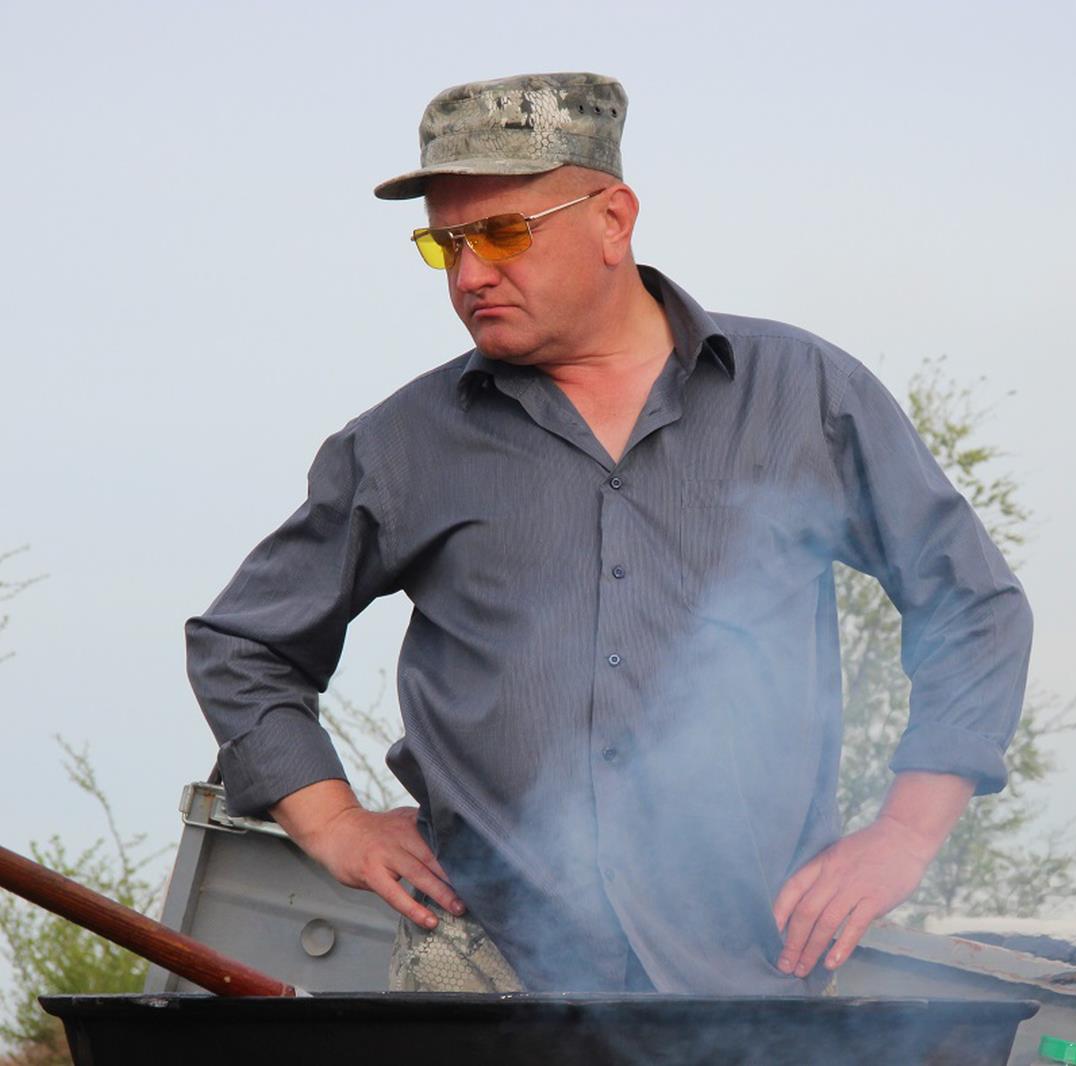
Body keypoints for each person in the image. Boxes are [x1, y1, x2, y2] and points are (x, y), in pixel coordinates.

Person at [185, 72, 1033, 995]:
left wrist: (904, 834)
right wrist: (332, 823)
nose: (471, 276)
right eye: (444, 245)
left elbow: (971, 604)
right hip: (487, 962)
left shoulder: (804, 397)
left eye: (503, 233)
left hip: (752, 968)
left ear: (613, 220)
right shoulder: (401, 445)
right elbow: (243, 644)